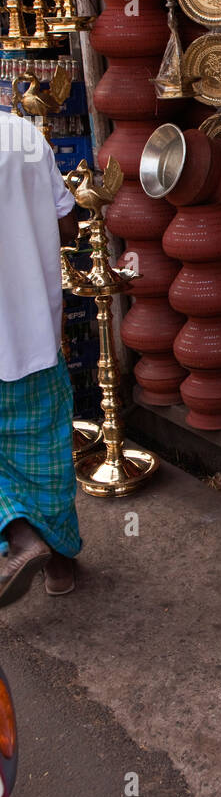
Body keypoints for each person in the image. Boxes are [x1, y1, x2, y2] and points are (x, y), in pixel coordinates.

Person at [0, 110, 82, 605]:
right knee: (47, 455)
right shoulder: (24, 134)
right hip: (33, 333)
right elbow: (68, 222)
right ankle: (61, 562)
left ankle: (21, 536)